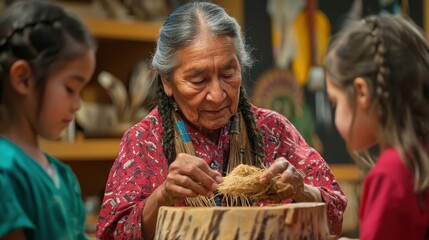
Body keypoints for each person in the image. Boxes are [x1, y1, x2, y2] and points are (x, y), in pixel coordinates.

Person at [96, 2, 347, 239]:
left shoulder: (273, 129)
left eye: (228, 73)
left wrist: (300, 191)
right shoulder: (143, 140)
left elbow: (336, 216)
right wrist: (162, 196)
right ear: (167, 82)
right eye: (199, 80)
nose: (217, 95)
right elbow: (112, 235)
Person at [324, 15, 429, 240]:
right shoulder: (420, 155)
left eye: (335, 102)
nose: (335, 112)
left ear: (361, 92)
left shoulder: (390, 175)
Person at [0, 1, 96, 239]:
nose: (77, 104)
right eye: (70, 88)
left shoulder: (62, 176)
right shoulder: (6, 172)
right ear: (23, 79)